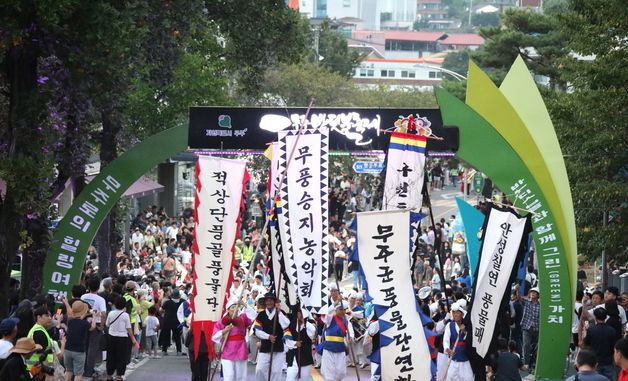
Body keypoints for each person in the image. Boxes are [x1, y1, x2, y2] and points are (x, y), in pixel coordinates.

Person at [212, 299, 253, 381]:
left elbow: (254, 316)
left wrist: (245, 305)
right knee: (229, 375)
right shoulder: (222, 321)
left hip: (241, 349)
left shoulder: (243, 318)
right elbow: (214, 337)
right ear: (228, 309)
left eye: (237, 307)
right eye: (233, 307)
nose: (235, 309)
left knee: (240, 376)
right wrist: (224, 331)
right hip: (227, 350)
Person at [254, 292, 290, 381]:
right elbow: (257, 331)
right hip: (265, 346)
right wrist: (268, 336)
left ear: (274, 302)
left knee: (275, 372)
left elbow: (286, 325)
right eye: (267, 300)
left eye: (271, 300)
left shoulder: (281, 313)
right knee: (260, 369)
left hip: (278, 346)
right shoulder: (261, 315)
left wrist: (279, 313)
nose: (269, 302)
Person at [106, 297, 140, 381]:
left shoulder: (111, 313)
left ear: (115, 304)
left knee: (111, 356)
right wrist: (133, 340)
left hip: (111, 337)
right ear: (124, 305)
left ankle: (109, 375)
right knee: (121, 357)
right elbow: (129, 329)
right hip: (122, 338)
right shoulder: (125, 315)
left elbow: (107, 324)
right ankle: (119, 375)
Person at [80, 275, 107, 378]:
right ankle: (88, 371)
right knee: (92, 348)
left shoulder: (83, 297)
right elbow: (104, 314)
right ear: (98, 287)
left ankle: (81, 370)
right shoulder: (100, 299)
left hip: (84, 323)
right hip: (97, 324)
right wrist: (102, 326)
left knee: (84, 347)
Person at [64, 300, 97, 381]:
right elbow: (92, 327)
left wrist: (85, 313)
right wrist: (94, 316)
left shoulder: (70, 321)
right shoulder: (85, 324)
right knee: (78, 374)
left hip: (67, 350)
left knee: (69, 371)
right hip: (79, 351)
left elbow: (76, 317)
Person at [321, 301, 354, 381]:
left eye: (343, 310)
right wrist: (335, 303)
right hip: (328, 347)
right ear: (335, 310)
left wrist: (351, 337)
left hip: (340, 348)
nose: (342, 311)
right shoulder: (330, 319)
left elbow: (350, 331)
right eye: (340, 309)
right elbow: (327, 312)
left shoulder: (346, 321)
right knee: (329, 371)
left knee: (341, 372)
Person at [582, 307, 617, 381]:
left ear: (595, 317)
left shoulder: (591, 330)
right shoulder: (612, 330)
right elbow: (614, 347)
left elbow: (586, 344)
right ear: (606, 317)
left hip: (595, 362)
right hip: (608, 361)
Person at [442, 302, 473, 381]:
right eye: (454, 313)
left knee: (468, 378)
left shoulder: (468, 325)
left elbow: (472, 341)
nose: (455, 315)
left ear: (462, 314)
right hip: (454, 358)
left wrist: (465, 332)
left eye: (458, 313)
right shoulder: (449, 325)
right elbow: (446, 340)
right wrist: (447, 349)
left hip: (466, 358)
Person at [286, 307, 316, 381]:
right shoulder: (291, 324)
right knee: (290, 378)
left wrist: (305, 322)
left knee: (304, 379)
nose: (301, 314)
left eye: (303, 312)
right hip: (293, 357)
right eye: (299, 312)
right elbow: (286, 338)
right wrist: (295, 343)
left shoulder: (309, 325)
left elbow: (312, 334)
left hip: (305, 357)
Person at [519, 287, 540, 370]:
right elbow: (519, 298)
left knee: (536, 346)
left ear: (538, 295)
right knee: (526, 345)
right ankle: (526, 363)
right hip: (526, 327)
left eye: (534, 292)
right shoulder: (527, 302)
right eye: (531, 292)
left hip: (537, 328)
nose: (532, 293)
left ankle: (534, 361)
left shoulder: (541, 305)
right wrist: (517, 290)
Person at [161, 289, 184, 355]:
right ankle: (179, 351)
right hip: (177, 321)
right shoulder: (182, 301)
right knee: (177, 337)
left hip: (167, 320)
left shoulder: (167, 302)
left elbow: (161, 309)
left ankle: (164, 350)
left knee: (166, 336)